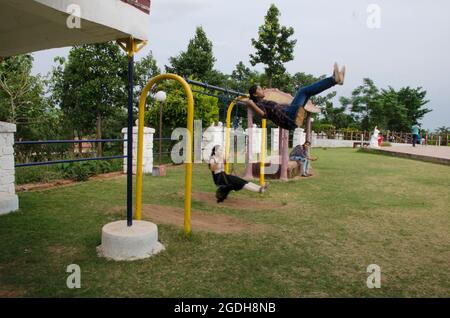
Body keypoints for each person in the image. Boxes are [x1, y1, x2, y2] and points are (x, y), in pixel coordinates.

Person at [245, 63, 346, 130]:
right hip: (289, 117)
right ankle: (334, 80)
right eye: (259, 89)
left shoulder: (264, 101)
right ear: (254, 94)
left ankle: (336, 80)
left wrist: (271, 91)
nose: (262, 90)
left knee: (307, 92)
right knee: (303, 91)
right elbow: (263, 115)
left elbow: (272, 97)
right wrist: (250, 103)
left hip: (289, 114)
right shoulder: (258, 103)